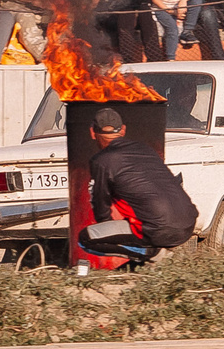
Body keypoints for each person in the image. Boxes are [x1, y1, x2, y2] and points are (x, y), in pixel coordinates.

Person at [76, 104, 199, 266]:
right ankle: (149, 257)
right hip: (188, 224)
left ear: (92, 132)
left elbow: (101, 205)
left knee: (85, 239)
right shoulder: (145, 149)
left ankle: (151, 253)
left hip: (158, 230)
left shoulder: (101, 161)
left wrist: (108, 231)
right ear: (123, 130)